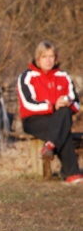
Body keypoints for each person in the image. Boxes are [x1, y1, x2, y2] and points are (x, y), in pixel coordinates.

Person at [17, 40, 82, 183]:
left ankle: (50, 146)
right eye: (44, 57)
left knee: (65, 112)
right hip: (34, 119)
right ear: (38, 58)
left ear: (56, 58)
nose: (48, 60)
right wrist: (52, 106)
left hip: (59, 118)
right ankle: (72, 173)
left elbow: (76, 104)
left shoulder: (63, 76)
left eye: (51, 56)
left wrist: (67, 102)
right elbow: (28, 104)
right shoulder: (26, 76)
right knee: (62, 129)